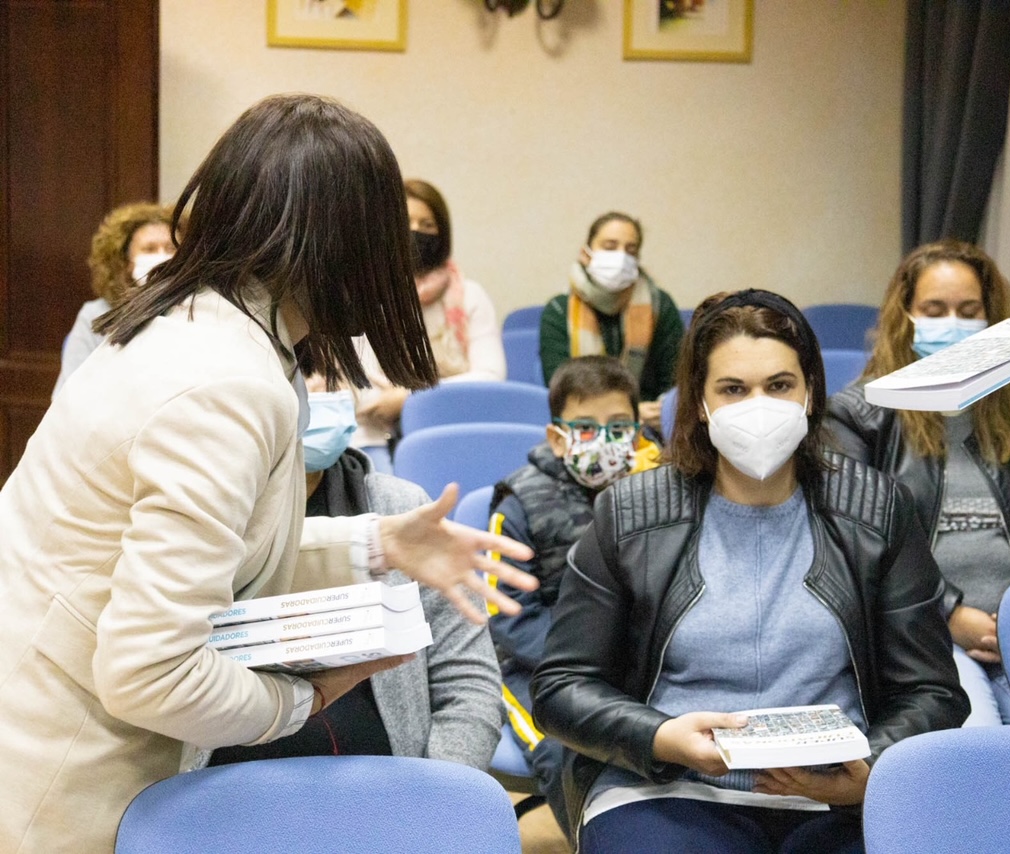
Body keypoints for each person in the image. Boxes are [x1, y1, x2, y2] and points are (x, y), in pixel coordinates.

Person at [0, 94, 534, 854]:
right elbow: (151, 674)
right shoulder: (224, 382)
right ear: (344, 244)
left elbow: (218, 556)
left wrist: (374, 546)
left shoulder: (217, 332)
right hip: (66, 776)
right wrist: (301, 701)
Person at [531, 289, 967, 852]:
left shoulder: (878, 508)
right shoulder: (629, 513)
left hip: (838, 794)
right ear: (701, 403)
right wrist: (661, 737)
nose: (757, 405)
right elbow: (562, 688)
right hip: (669, 789)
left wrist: (870, 764)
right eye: (733, 389)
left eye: (779, 386)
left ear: (810, 393)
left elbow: (932, 690)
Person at [825, 239, 1010, 726]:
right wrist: (950, 613)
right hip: (921, 633)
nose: (953, 323)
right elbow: (855, 545)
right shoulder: (860, 416)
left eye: (969, 310)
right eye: (934, 309)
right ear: (906, 316)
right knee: (980, 744)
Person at [201, 383, 503, 768]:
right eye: (298, 373)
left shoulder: (403, 508)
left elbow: (469, 684)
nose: (313, 392)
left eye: (330, 379)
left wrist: (431, 797)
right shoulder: (205, 513)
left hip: (393, 789)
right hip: (227, 786)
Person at [489, 355, 660, 834]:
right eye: (585, 426)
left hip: (632, 665)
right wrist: (590, 662)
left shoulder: (659, 491)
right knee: (564, 744)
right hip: (535, 671)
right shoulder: (518, 501)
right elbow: (508, 615)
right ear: (557, 435)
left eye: (618, 425)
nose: (604, 439)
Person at [351, 179, 506, 472]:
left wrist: (410, 398)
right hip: (375, 435)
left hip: (457, 424)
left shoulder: (469, 295)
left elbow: (490, 376)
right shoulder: (366, 296)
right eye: (406, 222)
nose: (416, 232)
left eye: (428, 225)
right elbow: (366, 394)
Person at [539, 211, 684, 434]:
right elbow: (561, 387)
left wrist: (654, 413)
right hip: (581, 428)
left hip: (653, 430)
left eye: (630, 250)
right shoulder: (559, 310)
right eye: (609, 246)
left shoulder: (660, 306)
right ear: (586, 254)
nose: (621, 257)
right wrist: (627, 415)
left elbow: (675, 381)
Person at [54, 201, 176, 395]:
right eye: (149, 249)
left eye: (171, 249)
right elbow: (70, 393)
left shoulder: (196, 309)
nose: (161, 257)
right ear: (126, 261)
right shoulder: (96, 314)